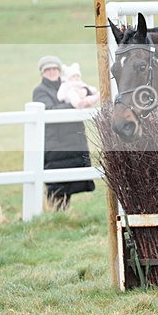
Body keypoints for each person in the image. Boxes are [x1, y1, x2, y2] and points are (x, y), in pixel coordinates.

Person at [32, 55, 95, 211]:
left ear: (59, 70)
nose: (52, 72)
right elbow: (49, 111)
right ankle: (56, 216)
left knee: (69, 182)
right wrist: (74, 105)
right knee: (57, 185)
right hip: (55, 144)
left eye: (54, 69)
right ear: (42, 73)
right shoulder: (40, 91)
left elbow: (85, 89)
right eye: (48, 70)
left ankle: (64, 217)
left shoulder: (68, 84)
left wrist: (83, 92)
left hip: (73, 141)